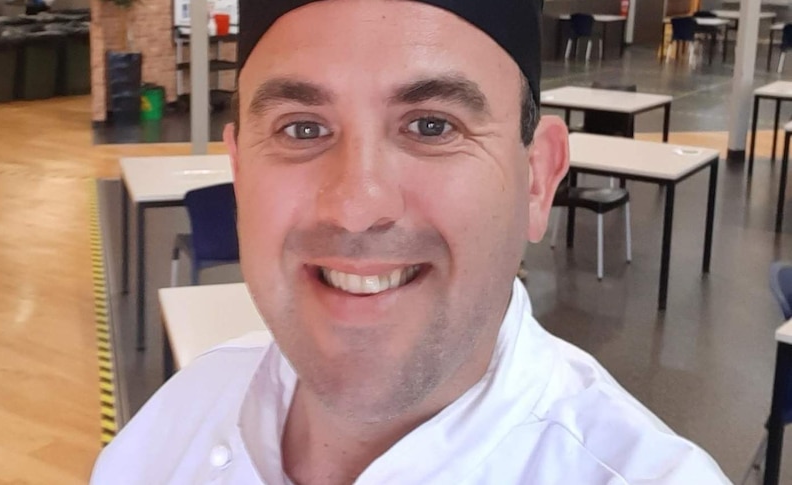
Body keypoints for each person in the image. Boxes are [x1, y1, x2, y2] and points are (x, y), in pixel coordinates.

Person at [92, 0, 732, 483]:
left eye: (431, 125)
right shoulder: (165, 432)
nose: (356, 205)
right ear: (240, 174)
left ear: (537, 180)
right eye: (302, 128)